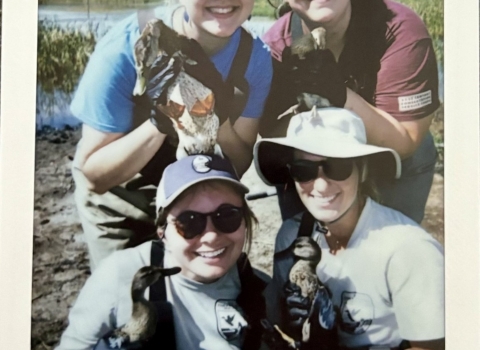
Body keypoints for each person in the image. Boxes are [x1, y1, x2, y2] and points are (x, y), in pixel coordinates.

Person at [71, 0, 273, 270]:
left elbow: (237, 165)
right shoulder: (126, 46)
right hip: (125, 202)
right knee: (133, 298)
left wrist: (217, 117)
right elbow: (95, 176)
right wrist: (163, 119)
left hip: (198, 200)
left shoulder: (255, 58)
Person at [255, 107, 445, 349]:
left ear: (363, 170)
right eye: (304, 170)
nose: (321, 186)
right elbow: (282, 324)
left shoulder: (408, 249)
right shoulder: (292, 236)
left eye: (337, 167)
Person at [56, 154, 269, 350]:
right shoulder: (120, 274)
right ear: (162, 232)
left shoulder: (261, 291)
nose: (211, 235)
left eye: (227, 216)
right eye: (189, 221)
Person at [260, 0, 440, 223]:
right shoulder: (274, 48)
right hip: (312, 162)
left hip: (391, 156)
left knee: (389, 247)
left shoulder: (399, 30)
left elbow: (407, 139)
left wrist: (342, 97)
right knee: (305, 247)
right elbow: (269, 135)